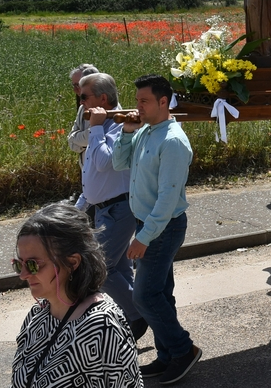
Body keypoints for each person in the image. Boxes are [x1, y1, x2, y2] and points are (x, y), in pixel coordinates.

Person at [112, 74, 201, 384]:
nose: (138, 107)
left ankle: (183, 350)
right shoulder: (146, 132)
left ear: (164, 102)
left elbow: (167, 198)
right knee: (161, 293)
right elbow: (119, 162)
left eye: (144, 101)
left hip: (162, 228)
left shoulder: (173, 141)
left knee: (144, 296)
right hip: (149, 223)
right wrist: (126, 130)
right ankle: (166, 357)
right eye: (137, 101)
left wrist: (144, 237)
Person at [12, 204, 141, 388]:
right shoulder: (37, 315)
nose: (23, 274)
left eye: (33, 264)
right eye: (19, 264)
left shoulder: (102, 325)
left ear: (72, 262)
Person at [75, 73, 148, 340]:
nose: (80, 102)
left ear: (102, 98)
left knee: (99, 269)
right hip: (102, 207)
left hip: (119, 207)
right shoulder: (102, 122)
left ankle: (139, 314)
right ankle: (131, 315)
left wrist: (95, 128)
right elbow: (92, 174)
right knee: (117, 268)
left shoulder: (120, 123)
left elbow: (105, 163)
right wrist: (80, 206)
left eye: (84, 96)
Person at [67, 63, 99, 223]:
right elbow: (71, 141)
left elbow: (94, 136)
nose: (75, 90)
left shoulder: (104, 108)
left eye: (77, 85)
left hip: (99, 179)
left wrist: (79, 139)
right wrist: (81, 139)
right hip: (86, 174)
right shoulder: (82, 108)